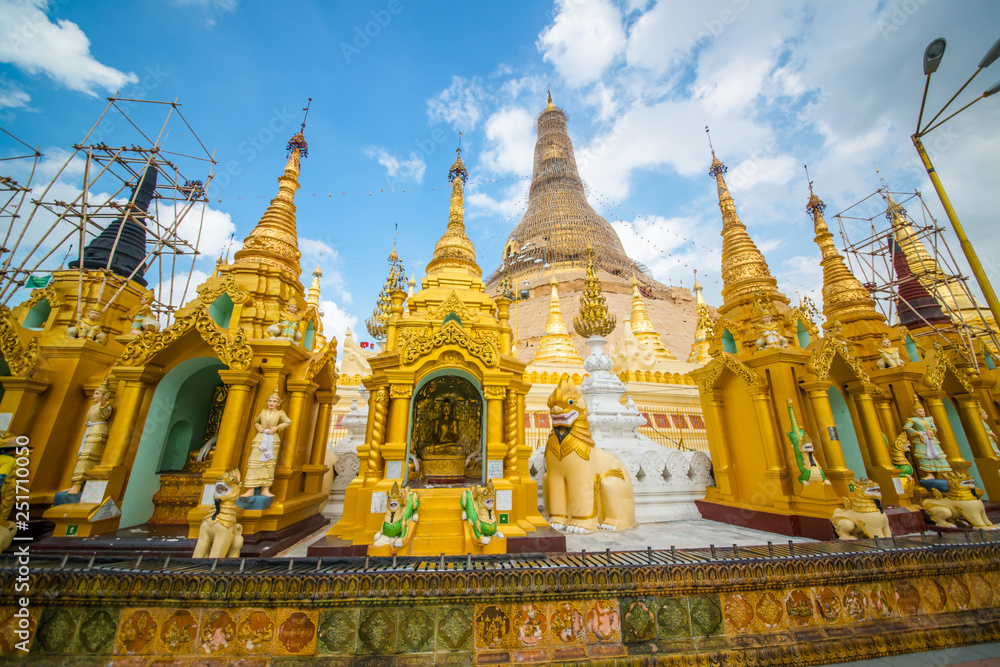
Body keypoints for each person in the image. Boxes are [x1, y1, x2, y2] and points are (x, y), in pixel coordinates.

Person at [63, 381, 113, 496]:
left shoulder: (105, 406)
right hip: (91, 431)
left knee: (88, 457)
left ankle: (79, 484)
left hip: (97, 432)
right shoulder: (92, 407)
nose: (94, 396)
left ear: (105, 395)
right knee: (82, 456)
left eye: (97, 394)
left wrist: (104, 400)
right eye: (94, 393)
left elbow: (104, 413)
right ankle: (75, 483)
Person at [242, 389, 291, 498]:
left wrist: (277, 428)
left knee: (269, 464)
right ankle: (250, 488)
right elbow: (255, 421)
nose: (271, 403)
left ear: (278, 403)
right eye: (270, 401)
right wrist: (258, 427)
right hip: (261, 438)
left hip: (272, 439)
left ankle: (266, 488)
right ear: (267, 401)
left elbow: (288, 421)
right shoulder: (263, 412)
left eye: (274, 401)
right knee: (254, 462)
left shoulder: (280, 413)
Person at [903, 400, 950, 479]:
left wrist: (931, 431)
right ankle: (929, 474)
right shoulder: (913, 419)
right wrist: (918, 433)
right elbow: (907, 427)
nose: (923, 413)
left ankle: (944, 472)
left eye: (923, 411)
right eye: (920, 411)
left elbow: (934, 427)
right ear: (914, 413)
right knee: (924, 456)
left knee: (938, 454)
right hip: (922, 439)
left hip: (931, 438)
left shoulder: (929, 419)